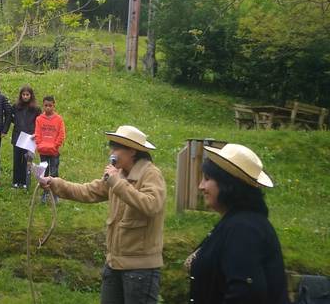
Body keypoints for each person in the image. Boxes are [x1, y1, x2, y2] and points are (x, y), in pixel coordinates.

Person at [41, 125, 165, 304]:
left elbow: (151, 205)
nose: (112, 153)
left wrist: (116, 181)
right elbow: (88, 191)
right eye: (111, 147)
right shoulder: (118, 174)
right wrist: (54, 183)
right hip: (114, 264)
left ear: (132, 151)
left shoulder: (151, 174)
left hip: (140, 270)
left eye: (116, 148)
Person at [187, 144, 289, 303]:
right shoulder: (235, 222)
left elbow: (244, 293)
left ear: (227, 185)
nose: (201, 186)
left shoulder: (245, 229)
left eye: (207, 179)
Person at [10, 85, 41, 189]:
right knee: (17, 159)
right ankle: (15, 181)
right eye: (23, 94)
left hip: (30, 138)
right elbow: (12, 119)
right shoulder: (15, 107)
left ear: (31, 96)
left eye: (27, 94)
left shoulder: (36, 109)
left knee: (26, 160)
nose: (25, 96)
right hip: (18, 136)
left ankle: (24, 182)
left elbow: (39, 123)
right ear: (21, 95)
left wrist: (35, 134)